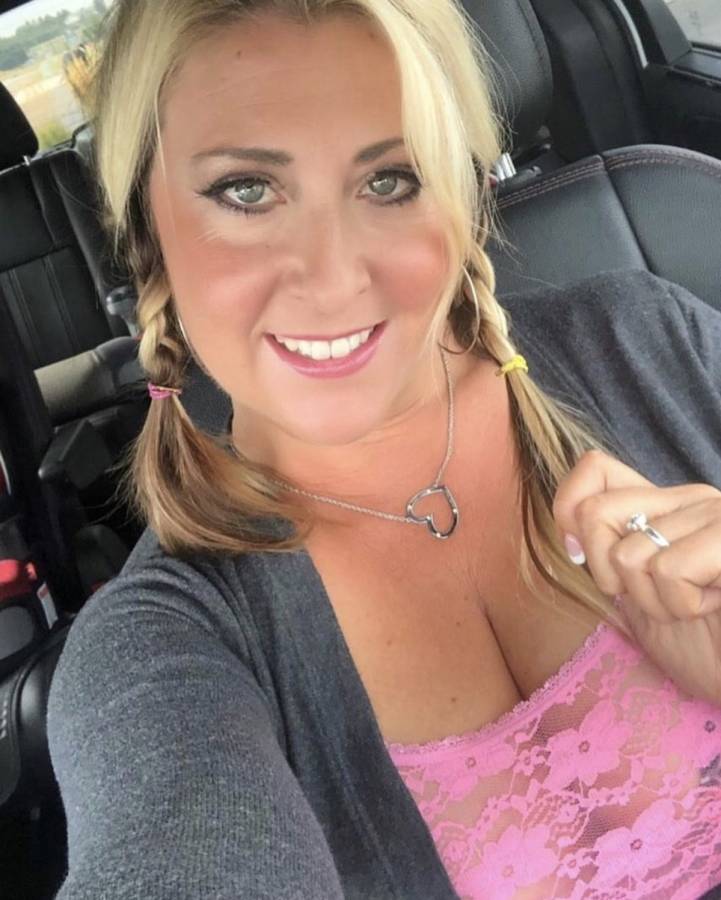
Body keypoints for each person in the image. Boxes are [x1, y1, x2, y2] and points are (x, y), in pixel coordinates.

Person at [46, 0, 721, 897]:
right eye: (246, 190)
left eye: (390, 180)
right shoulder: (160, 650)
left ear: (460, 191)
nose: (331, 278)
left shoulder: (655, 345)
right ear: (147, 228)